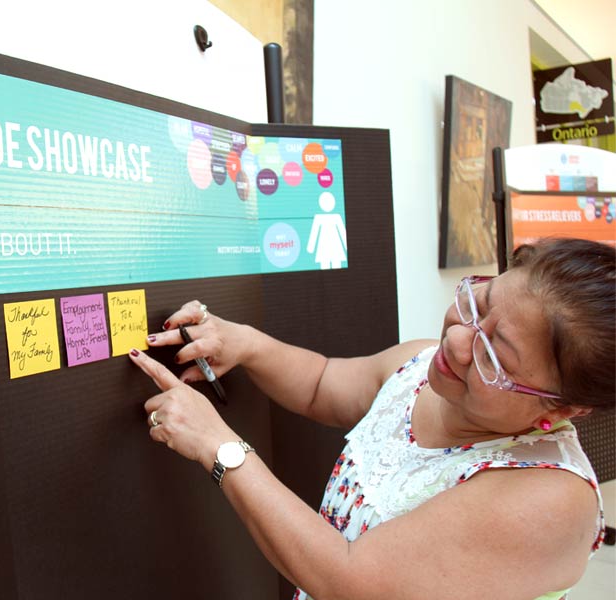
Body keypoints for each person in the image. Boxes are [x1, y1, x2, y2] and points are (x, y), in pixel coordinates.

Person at [129, 237, 614, 600]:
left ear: (563, 407)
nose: (457, 341)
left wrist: (219, 445)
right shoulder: (421, 366)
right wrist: (246, 344)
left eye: (494, 356)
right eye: (477, 304)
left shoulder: (551, 498)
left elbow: (347, 579)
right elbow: (322, 383)